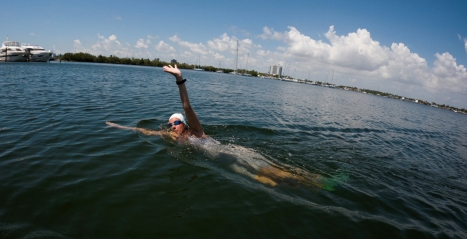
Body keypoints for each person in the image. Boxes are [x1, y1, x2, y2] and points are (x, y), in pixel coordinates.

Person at [106, 64, 337, 189]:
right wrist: (120, 127)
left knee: (272, 170)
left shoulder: (196, 132)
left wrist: (179, 79)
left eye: (175, 122)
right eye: (170, 124)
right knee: (263, 180)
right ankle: (309, 188)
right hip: (221, 161)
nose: (172, 126)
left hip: (231, 152)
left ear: (184, 124)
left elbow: (187, 107)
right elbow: (146, 131)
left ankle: (320, 181)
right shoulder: (176, 139)